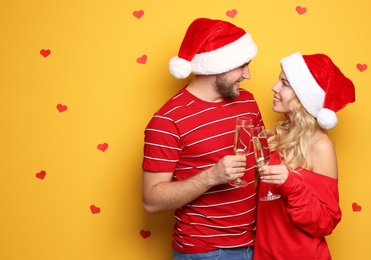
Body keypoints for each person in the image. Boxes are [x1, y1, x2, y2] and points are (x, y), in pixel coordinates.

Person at [142, 17, 263, 259]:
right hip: (206, 252)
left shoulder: (247, 102)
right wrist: (213, 176)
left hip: (257, 242)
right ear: (217, 66)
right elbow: (151, 201)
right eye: (242, 66)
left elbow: (264, 161)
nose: (247, 75)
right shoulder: (167, 121)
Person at [253, 52, 356, 259]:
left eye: (285, 83)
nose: (274, 87)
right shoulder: (275, 136)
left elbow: (325, 222)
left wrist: (290, 184)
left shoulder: (320, 145)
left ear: (304, 96)